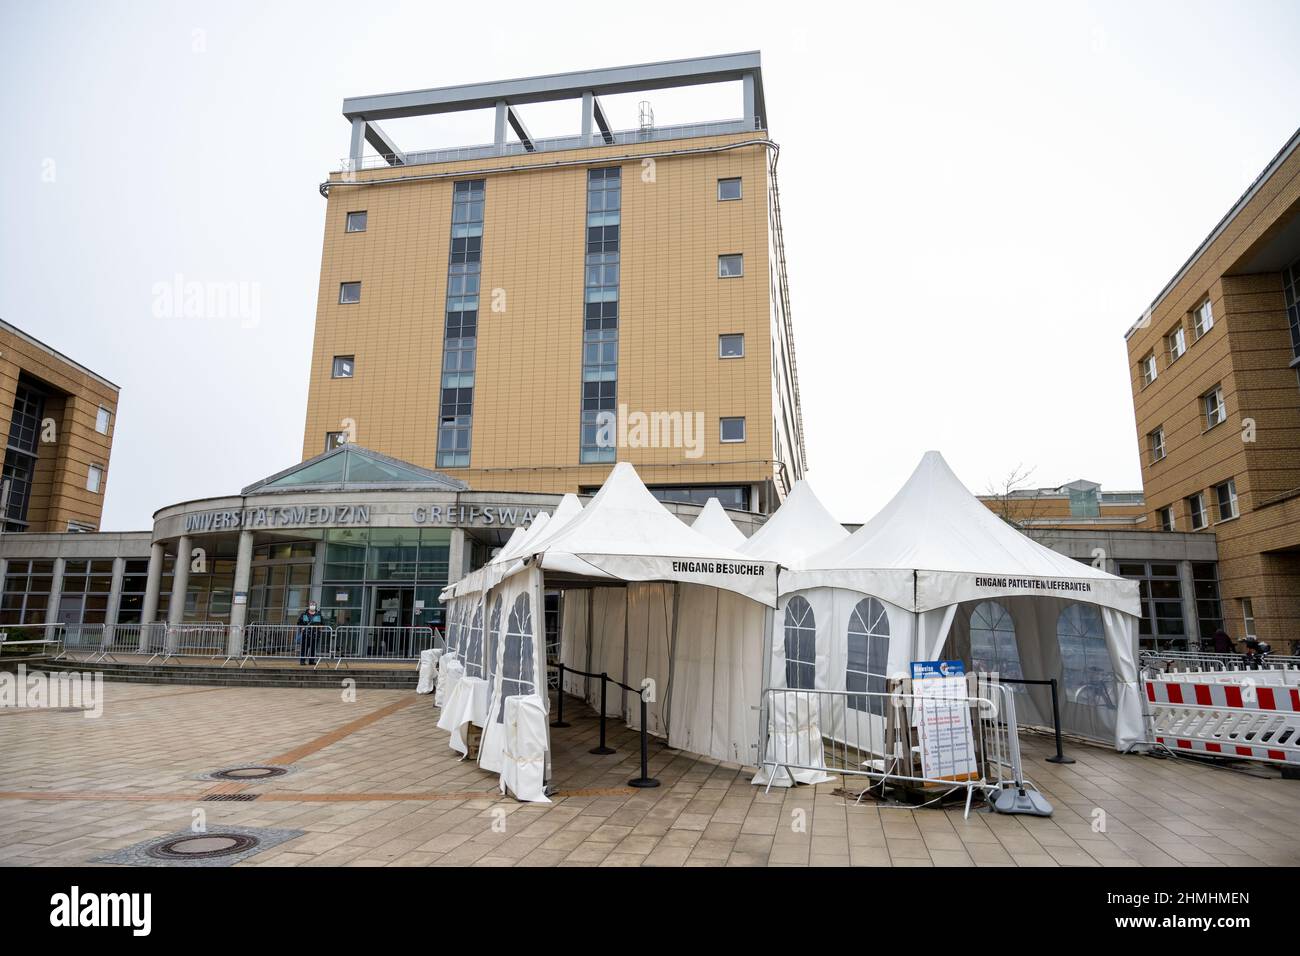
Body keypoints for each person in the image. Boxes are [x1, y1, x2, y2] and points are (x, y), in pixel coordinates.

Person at [297, 601, 325, 666]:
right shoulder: (304, 614)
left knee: (313, 648)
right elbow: (299, 622)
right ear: (309, 606)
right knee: (304, 648)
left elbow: (323, 623)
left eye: (314, 605)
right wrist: (302, 627)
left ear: (315, 606)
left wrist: (320, 628)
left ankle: (311, 661)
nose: (312, 606)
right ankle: (302, 661)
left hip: (315, 634)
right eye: (311, 604)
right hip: (305, 634)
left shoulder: (318, 614)